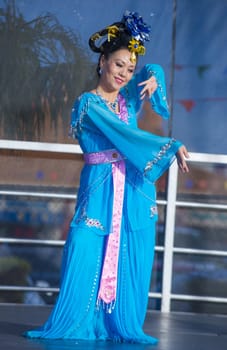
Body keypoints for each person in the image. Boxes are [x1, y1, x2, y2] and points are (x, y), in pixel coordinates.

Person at [24, 11, 189, 344]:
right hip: (99, 188)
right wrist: (168, 146)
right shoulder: (87, 104)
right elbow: (120, 135)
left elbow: (151, 71)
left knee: (131, 251)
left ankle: (122, 325)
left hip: (131, 189)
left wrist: (153, 76)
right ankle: (74, 323)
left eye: (129, 69)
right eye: (118, 66)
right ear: (102, 62)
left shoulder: (129, 99)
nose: (125, 75)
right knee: (84, 248)